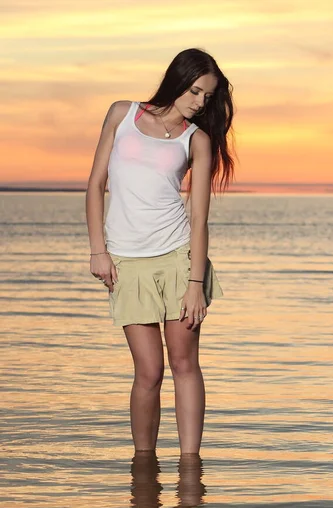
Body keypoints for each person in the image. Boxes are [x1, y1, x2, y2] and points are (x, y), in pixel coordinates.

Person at [85, 48, 236, 457]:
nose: (200, 102)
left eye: (208, 96)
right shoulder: (122, 114)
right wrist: (98, 250)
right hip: (127, 262)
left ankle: (190, 464)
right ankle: (144, 465)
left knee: (185, 366)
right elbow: (96, 183)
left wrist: (194, 283)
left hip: (178, 258)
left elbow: (199, 218)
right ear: (177, 80)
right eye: (195, 91)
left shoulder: (197, 139)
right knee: (148, 371)